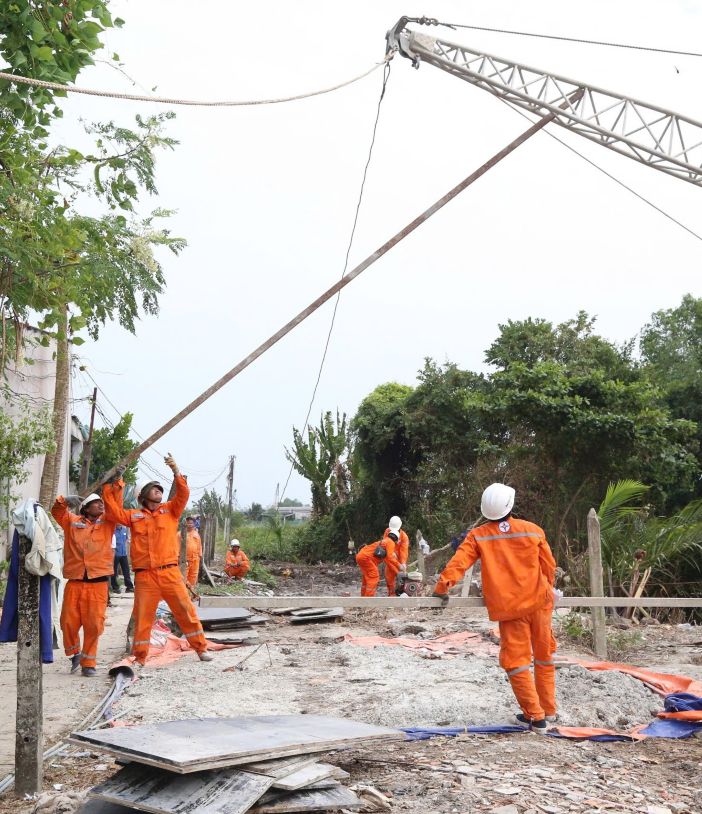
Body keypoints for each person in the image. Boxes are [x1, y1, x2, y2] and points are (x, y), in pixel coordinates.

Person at [432, 483, 558, 734]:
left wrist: (442, 586)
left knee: (517, 662)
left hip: (510, 610)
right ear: (510, 505)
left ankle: (536, 718)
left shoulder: (479, 535)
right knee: (544, 657)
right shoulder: (533, 531)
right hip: (540, 604)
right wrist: (547, 591)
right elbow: (549, 566)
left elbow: (460, 562)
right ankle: (548, 710)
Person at [102, 454, 212, 666]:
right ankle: (140, 656)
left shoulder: (170, 510)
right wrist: (115, 482)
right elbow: (113, 511)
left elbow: (183, 494)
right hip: (145, 576)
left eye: (160, 488)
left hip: (170, 572)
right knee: (143, 618)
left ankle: (201, 648)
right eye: (154, 488)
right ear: (143, 496)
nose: (159, 490)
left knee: (186, 611)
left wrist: (176, 471)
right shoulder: (134, 516)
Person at [51, 492, 116, 677]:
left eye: (101, 503)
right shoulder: (72, 522)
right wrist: (64, 500)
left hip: (98, 584)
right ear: (85, 508)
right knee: (68, 622)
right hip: (75, 582)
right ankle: (74, 654)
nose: (100, 506)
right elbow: (56, 511)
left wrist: (116, 484)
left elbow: (116, 506)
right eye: (95, 503)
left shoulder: (108, 522)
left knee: (94, 624)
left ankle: (89, 663)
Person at [356, 530, 402, 597]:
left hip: (360, 555)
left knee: (367, 577)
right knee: (374, 577)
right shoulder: (390, 542)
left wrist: (397, 572)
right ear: (396, 538)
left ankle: (363, 598)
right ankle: (368, 601)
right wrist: (399, 565)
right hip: (366, 558)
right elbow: (390, 557)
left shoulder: (384, 542)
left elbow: (389, 561)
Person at [383, 516, 409, 596]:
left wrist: (403, 563)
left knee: (402, 576)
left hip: (399, 559)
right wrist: (391, 552)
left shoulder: (404, 536)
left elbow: (404, 551)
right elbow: (385, 544)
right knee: (389, 577)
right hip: (390, 557)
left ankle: (402, 592)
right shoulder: (387, 531)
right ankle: (391, 594)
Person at [111, 525, 134, 593]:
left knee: (126, 571)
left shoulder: (124, 530)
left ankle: (129, 587)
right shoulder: (113, 530)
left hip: (124, 554)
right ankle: (115, 587)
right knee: (114, 572)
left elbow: (126, 540)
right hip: (115, 554)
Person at [185, 516, 203, 589]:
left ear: (194, 524)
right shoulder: (180, 534)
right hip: (185, 560)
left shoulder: (196, 534)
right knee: (184, 576)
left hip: (195, 559)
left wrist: (200, 555)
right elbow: (176, 546)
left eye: (191, 523)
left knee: (193, 576)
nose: (190, 524)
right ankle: (185, 593)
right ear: (186, 524)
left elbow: (199, 545)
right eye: (188, 523)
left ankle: (191, 592)